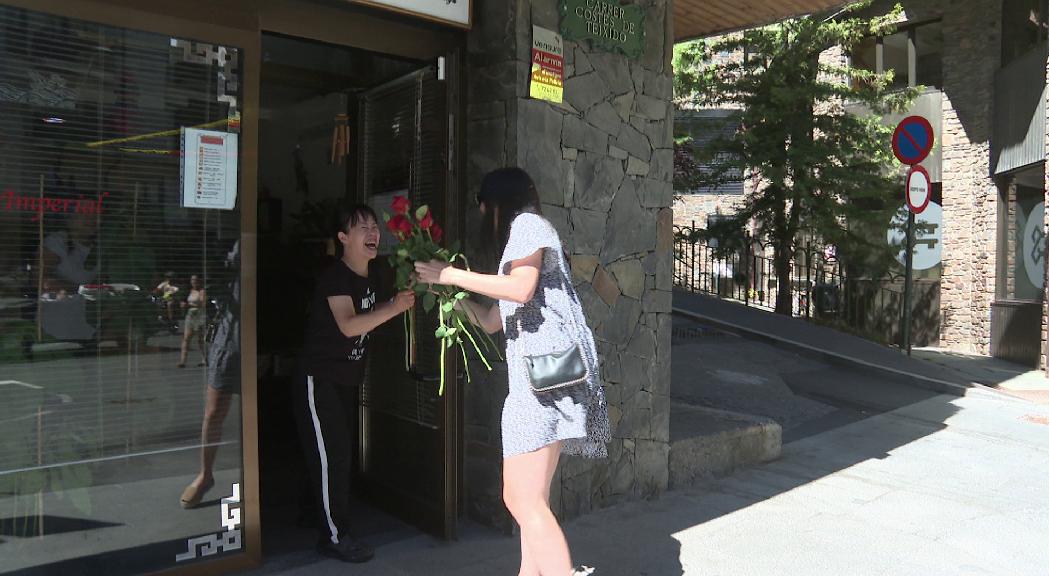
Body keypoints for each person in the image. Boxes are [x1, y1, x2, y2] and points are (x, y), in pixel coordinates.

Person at [415, 167, 609, 576]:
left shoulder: (526, 226)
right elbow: (490, 319)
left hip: (543, 384)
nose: (483, 213)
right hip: (547, 379)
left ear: (497, 202)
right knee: (531, 500)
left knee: (521, 501)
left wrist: (449, 273)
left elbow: (520, 288)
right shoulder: (528, 233)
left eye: (483, 205)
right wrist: (449, 293)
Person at [294, 204, 414, 563]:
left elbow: (406, 289)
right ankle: (334, 536)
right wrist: (395, 306)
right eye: (362, 227)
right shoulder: (335, 277)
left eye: (374, 226)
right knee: (334, 457)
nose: (372, 232)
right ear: (343, 238)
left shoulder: (375, 274)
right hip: (318, 380)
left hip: (345, 380)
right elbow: (348, 325)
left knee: (332, 454)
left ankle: (314, 514)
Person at [180, 242, 241, 509]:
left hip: (253, 332)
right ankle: (205, 474)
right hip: (231, 336)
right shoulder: (236, 248)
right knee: (214, 410)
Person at [178, 274, 207, 368]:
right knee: (186, 338)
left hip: (199, 317)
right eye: (192, 280)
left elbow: (202, 304)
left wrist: (189, 305)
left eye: (195, 280)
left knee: (200, 340)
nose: (193, 282)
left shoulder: (202, 291)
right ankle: (183, 361)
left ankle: (205, 359)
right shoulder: (190, 291)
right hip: (190, 317)